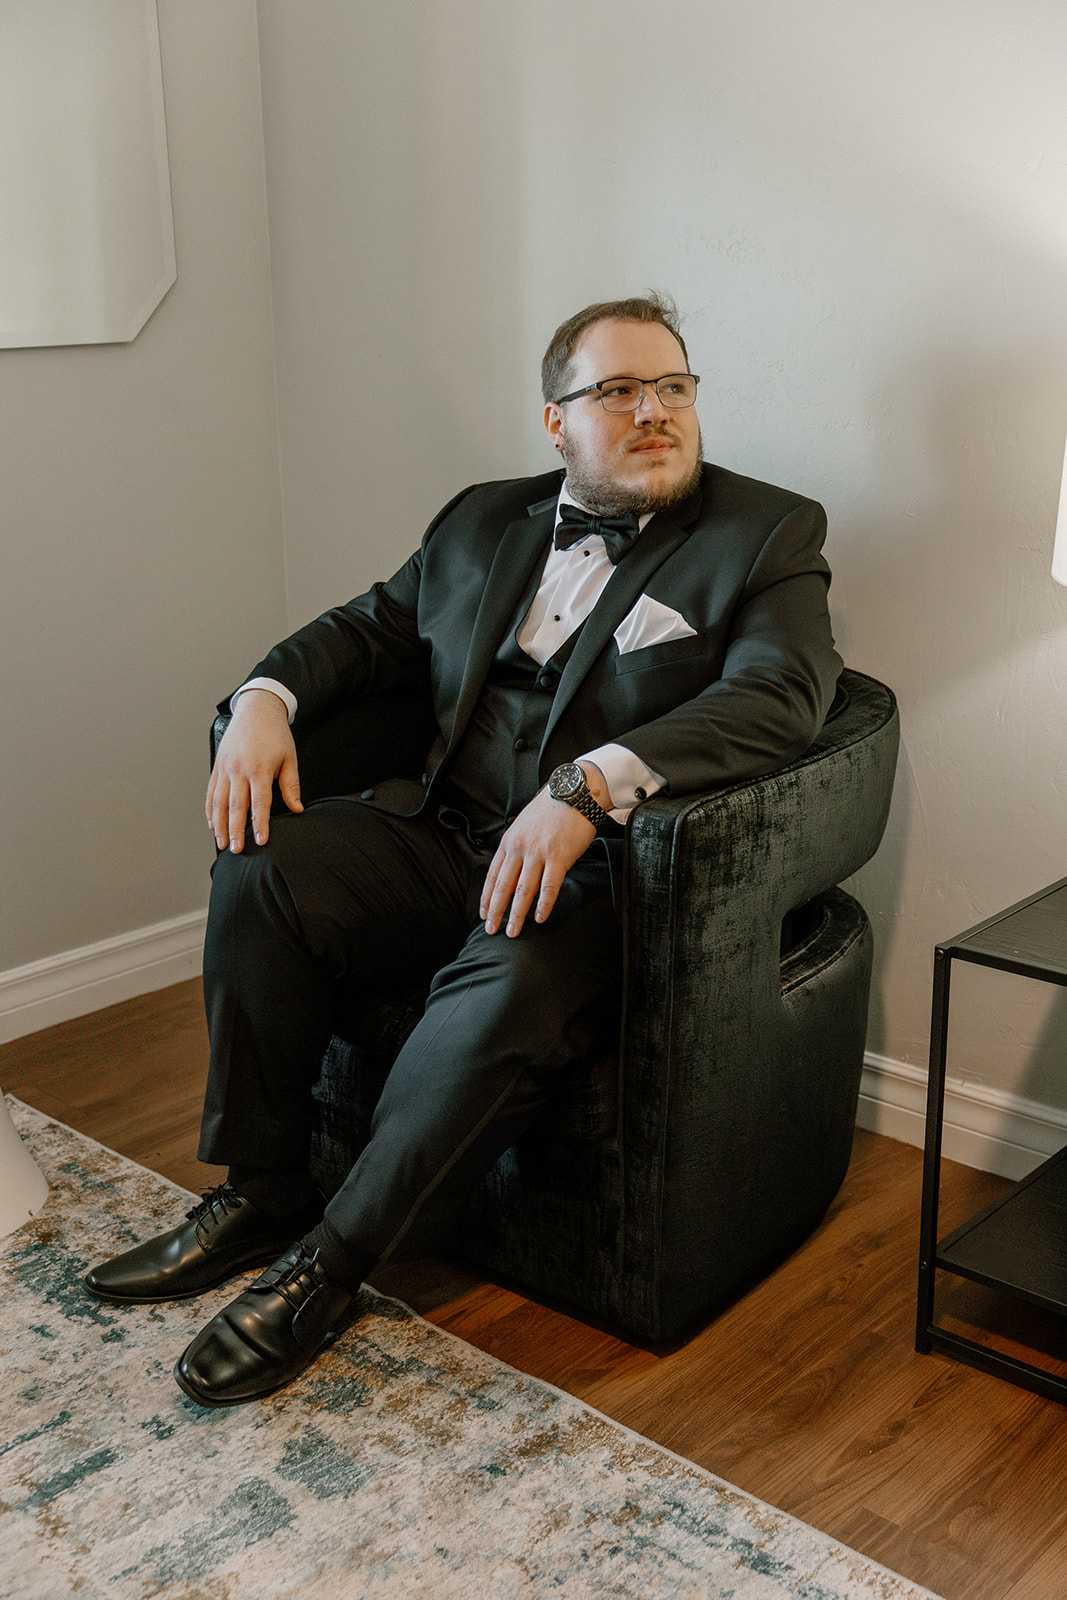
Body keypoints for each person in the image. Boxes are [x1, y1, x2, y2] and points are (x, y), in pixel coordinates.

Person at [84, 294, 842, 1407]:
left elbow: (780, 697)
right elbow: (368, 631)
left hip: (592, 877)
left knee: (502, 994)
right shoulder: (482, 519)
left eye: (672, 387)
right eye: (618, 390)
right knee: (265, 867)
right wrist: (262, 698)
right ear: (555, 421)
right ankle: (262, 1188)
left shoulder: (766, 533)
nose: (654, 411)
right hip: (443, 832)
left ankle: (327, 1267)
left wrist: (589, 785)